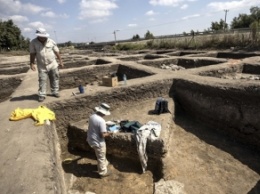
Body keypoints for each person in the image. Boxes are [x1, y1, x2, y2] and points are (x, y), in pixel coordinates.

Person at [29, 28, 64, 102]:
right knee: (42, 80)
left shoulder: (51, 41)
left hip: (53, 64)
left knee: (55, 78)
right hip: (42, 65)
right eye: (40, 36)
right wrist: (32, 63)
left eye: (43, 36)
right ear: (38, 36)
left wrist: (60, 61)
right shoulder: (33, 42)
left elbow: (57, 52)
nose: (42, 38)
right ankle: (42, 94)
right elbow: (32, 54)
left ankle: (55, 92)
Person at [87, 103, 112, 178]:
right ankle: (102, 172)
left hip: (91, 139)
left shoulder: (92, 116)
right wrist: (110, 133)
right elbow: (103, 135)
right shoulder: (101, 121)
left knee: (100, 154)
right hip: (98, 142)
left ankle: (105, 163)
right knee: (101, 156)